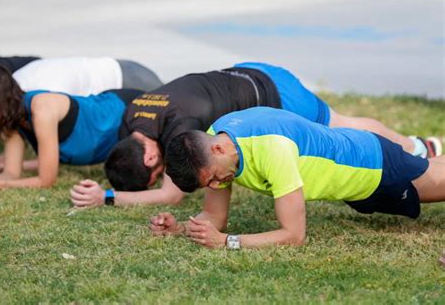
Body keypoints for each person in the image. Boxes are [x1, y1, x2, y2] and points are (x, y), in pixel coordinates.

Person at [70, 62, 442, 208]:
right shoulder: (135, 115)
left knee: (340, 126)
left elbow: (172, 196)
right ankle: (418, 151)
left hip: (277, 93)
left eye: (154, 174)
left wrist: (107, 197)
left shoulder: (182, 130)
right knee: (340, 125)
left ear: (152, 158)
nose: (163, 173)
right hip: (245, 71)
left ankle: (417, 148)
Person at [150, 107, 445, 249]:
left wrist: (228, 243)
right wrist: (182, 229)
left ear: (217, 148)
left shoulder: (274, 149)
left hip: (375, 166)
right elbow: (215, 216)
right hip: (353, 186)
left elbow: (294, 236)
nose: (217, 186)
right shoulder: (215, 143)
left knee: (438, 180)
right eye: (208, 185)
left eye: (213, 179)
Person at [0, 64, 143, 189]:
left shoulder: (41, 108)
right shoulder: (12, 123)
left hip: (128, 107)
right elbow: (11, 174)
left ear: (1, 97)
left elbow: (46, 181)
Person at [13, 57, 163, 96]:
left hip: (126, 79)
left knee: (179, 112)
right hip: (126, 68)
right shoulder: (13, 81)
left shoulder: (46, 91)